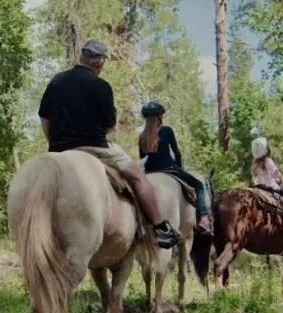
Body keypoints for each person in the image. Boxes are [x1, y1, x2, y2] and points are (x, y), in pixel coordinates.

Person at [39, 40, 182, 249]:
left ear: (82, 58)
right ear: (99, 63)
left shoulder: (56, 82)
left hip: (59, 149)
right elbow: (109, 125)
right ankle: (162, 228)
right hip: (95, 147)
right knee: (138, 175)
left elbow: (45, 119)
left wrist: (55, 144)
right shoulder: (101, 86)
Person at [137, 101, 212, 235]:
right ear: (159, 118)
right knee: (199, 185)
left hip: (149, 172)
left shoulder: (142, 136)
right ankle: (204, 218)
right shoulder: (166, 130)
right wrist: (179, 167)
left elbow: (143, 158)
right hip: (168, 168)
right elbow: (176, 152)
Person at [249, 137, 283, 237]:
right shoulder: (268, 161)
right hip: (271, 187)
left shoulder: (254, 164)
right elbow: (277, 175)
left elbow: (254, 178)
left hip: (258, 188)